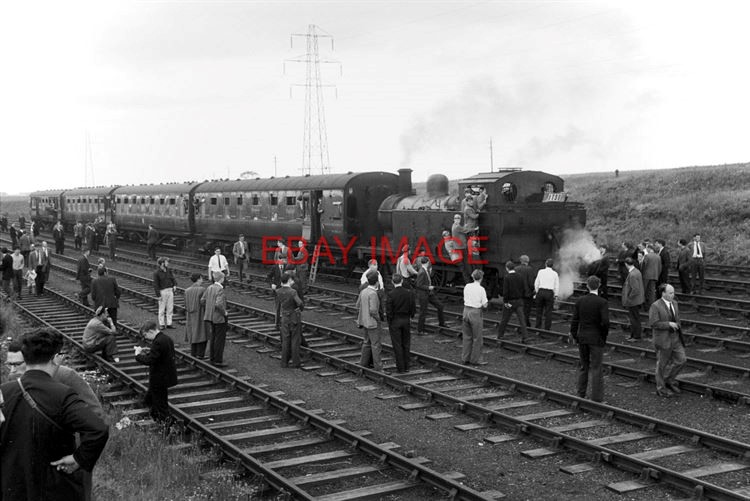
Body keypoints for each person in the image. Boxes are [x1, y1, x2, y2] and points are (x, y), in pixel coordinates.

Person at [0, 329, 109, 501]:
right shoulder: (63, 393)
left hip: (13, 482)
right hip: (54, 481)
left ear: (25, 359)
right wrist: (78, 459)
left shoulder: (4, 391)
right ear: (54, 358)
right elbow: (98, 427)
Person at [570, 276, 610, 402]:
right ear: (599, 285)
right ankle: (597, 397)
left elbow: (574, 320)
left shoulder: (580, 301)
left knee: (584, 366)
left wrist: (574, 335)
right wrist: (603, 336)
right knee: (597, 368)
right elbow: (605, 322)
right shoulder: (602, 302)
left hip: (583, 337)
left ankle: (581, 393)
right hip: (596, 338)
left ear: (587, 286)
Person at [135, 320, 178, 422]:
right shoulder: (167, 338)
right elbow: (161, 355)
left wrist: (138, 355)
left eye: (145, 335)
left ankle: (166, 424)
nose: (145, 338)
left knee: (161, 403)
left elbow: (150, 360)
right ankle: (155, 416)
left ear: (150, 331)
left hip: (159, 378)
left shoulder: (157, 342)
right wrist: (150, 352)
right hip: (166, 376)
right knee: (151, 399)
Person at [649, 284, 686, 397]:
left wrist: (678, 325)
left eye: (673, 292)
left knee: (682, 360)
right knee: (661, 365)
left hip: (675, 338)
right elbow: (653, 323)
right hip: (663, 340)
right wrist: (668, 324)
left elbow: (677, 318)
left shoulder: (674, 303)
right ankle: (661, 389)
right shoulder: (655, 306)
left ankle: (669, 380)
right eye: (670, 293)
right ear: (663, 293)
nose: (673, 295)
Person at [386, 274, 416, 373]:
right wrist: (411, 316)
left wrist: (390, 321)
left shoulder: (391, 294)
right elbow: (413, 307)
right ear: (402, 281)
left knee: (397, 345)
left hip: (395, 321)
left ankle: (401, 368)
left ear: (392, 282)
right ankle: (407, 366)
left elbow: (389, 311)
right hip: (406, 320)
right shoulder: (409, 293)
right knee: (406, 343)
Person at [357, 271, 386, 373]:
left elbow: (357, 305)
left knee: (366, 343)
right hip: (373, 323)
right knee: (376, 345)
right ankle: (378, 367)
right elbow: (373, 310)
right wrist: (378, 319)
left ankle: (363, 364)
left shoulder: (363, 291)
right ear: (377, 283)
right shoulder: (373, 294)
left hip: (364, 321)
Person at [201, 270, 228, 367]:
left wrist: (209, 309)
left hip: (210, 316)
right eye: (223, 278)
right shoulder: (220, 289)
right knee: (219, 339)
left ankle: (212, 358)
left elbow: (202, 300)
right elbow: (219, 304)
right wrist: (224, 312)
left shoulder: (209, 287)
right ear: (221, 279)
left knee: (213, 337)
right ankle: (218, 360)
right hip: (219, 317)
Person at [462, 269, 489, 365]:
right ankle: (476, 360)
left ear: (473, 277)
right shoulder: (481, 289)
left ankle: (465, 358)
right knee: (477, 338)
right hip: (475, 313)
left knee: (467, 337)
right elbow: (485, 304)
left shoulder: (467, 286)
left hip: (466, 311)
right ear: (481, 278)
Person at [497, 261, 529, 341]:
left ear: (507, 268)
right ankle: (525, 337)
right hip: (519, 302)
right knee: (522, 320)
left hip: (510, 302)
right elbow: (523, 288)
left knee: (505, 319)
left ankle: (500, 335)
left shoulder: (507, 277)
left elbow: (506, 291)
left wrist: (505, 302)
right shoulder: (520, 276)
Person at [277, 272, 304, 368]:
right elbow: (300, 303)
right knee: (295, 340)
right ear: (288, 280)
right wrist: (300, 309)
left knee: (285, 340)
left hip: (284, 317)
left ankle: (284, 362)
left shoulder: (278, 291)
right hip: (294, 317)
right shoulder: (293, 292)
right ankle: (296, 362)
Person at [414, 256, 446, 335]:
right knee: (423, 312)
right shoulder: (422, 272)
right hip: (423, 294)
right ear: (427, 263)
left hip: (429, 293)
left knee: (440, 306)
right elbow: (418, 285)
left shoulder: (425, 270)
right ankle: (420, 330)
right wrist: (428, 287)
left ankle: (442, 323)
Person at [184, 273, 208, 358]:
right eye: (201, 278)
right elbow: (204, 303)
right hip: (200, 314)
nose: (202, 280)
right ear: (198, 279)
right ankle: (200, 354)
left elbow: (186, 304)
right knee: (202, 333)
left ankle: (193, 353)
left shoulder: (187, 291)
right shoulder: (202, 289)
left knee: (193, 333)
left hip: (190, 315)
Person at [622, 257, 645, 341]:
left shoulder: (632, 274)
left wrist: (629, 298)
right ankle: (633, 335)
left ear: (626, 264)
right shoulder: (637, 271)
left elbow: (635, 289)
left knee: (634, 319)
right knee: (635, 318)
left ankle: (636, 336)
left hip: (633, 301)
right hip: (636, 300)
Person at [534, 259, 559, 331]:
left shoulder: (540, 271)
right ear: (552, 266)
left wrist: (537, 291)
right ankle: (547, 328)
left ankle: (538, 326)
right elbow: (556, 285)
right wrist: (556, 295)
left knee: (539, 310)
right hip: (549, 293)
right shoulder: (555, 274)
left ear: (545, 264)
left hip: (541, 291)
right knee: (548, 311)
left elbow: (536, 283)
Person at [153, 257, 176, 329]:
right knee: (162, 309)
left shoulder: (169, 270)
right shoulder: (156, 273)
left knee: (170, 308)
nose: (168, 263)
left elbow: (173, 279)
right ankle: (161, 324)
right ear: (162, 263)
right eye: (166, 262)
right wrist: (158, 295)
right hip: (162, 291)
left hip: (170, 290)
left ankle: (169, 323)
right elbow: (156, 285)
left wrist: (174, 285)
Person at [514, 255, 535, 327]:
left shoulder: (516, 269)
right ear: (527, 261)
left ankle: (523, 324)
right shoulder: (530, 269)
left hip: (518, 294)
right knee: (527, 310)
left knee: (520, 310)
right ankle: (524, 325)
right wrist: (533, 290)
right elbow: (531, 283)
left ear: (521, 261)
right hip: (527, 294)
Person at [641, 244, 662, 309]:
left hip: (646, 275)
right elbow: (660, 267)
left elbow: (644, 265)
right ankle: (651, 304)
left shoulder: (647, 256)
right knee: (652, 291)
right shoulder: (658, 257)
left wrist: (641, 273)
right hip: (654, 276)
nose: (646, 250)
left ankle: (643, 304)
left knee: (643, 290)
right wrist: (657, 275)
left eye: (647, 248)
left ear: (649, 249)